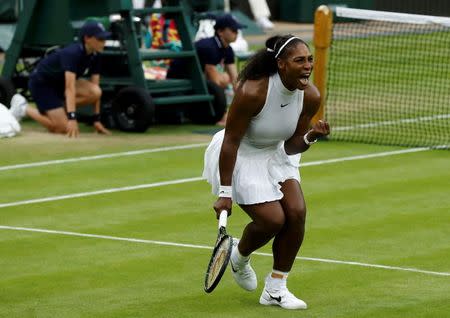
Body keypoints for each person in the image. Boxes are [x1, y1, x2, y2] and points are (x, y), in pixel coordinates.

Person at [202, 35, 330, 310]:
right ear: (281, 64)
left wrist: (310, 137)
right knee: (272, 221)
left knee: (296, 213)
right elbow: (231, 141)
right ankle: (241, 255)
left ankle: (275, 289)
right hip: (241, 154)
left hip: (276, 154)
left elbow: (292, 144)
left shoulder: (310, 96)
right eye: (299, 61)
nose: (307, 66)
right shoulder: (253, 91)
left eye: (309, 59)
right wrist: (225, 194)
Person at [9, 21, 112, 137]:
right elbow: (70, 88)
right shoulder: (73, 53)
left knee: (95, 92)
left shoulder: (96, 54)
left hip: (60, 84)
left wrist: (96, 119)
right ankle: (23, 108)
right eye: (100, 39)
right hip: (42, 84)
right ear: (87, 38)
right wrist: (72, 118)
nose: (104, 43)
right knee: (62, 128)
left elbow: (95, 88)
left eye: (104, 39)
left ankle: (58, 110)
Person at [166, 14, 246, 125]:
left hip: (197, 78)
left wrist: (245, 108)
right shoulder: (209, 47)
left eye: (237, 30)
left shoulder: (228, 49)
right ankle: (216, 114)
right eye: (233, 30)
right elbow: (215, 84)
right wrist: (222, 114)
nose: (236, 33)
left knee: (225, 78)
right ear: (220, 32)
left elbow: (235, 79)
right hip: (179, 77)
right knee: (218, 80)